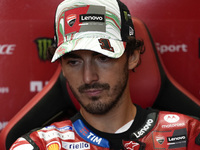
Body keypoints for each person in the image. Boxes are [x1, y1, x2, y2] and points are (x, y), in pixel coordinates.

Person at [10, 0, 200, 149]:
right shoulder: (38, 145)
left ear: (132, 57)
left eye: (103, 58)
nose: (88, 77)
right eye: (74, 62)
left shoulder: (188, 135)